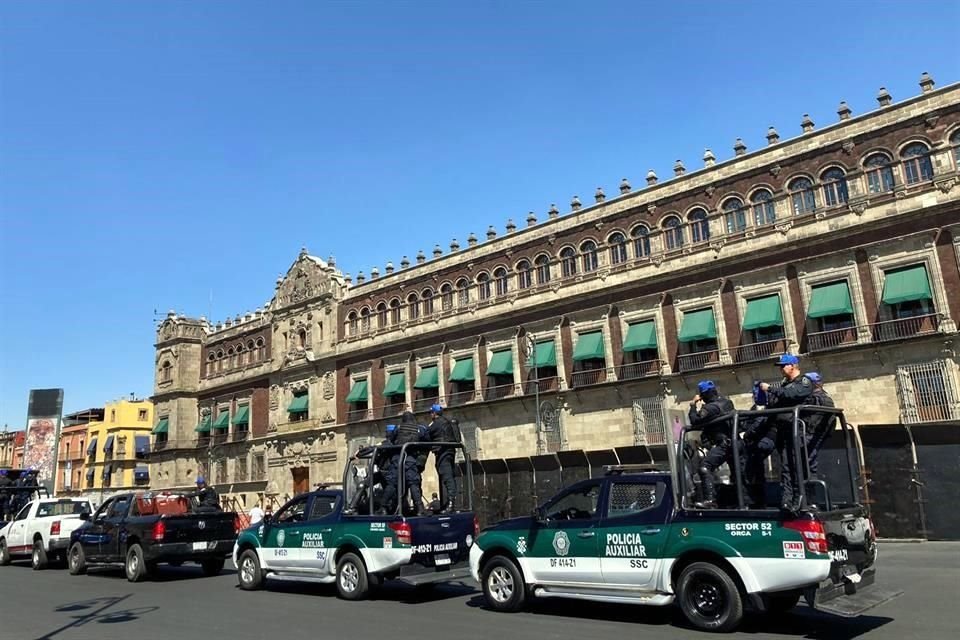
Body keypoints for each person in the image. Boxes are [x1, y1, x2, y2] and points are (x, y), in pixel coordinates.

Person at [759, 354, 816, 509]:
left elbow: (794, 394)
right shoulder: (785, 384)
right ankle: (787, 500)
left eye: (783, 366)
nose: (781, 369)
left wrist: (771, 388)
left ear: (793, 366)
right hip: (784, 431)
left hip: (798, 431)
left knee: (797, 466)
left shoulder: (804, 381)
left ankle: (800, 500)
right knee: (786, 466)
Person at [687, 381, 738, 509]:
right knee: (737, 473)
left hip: (725, 444)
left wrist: (693, 405)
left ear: (703, 395)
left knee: (705, 467)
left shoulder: (710, 408)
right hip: (735, 442)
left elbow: (695, 421)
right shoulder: (727, 402)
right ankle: (740, 502)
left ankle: (710, 501)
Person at [380, 412, 424, 515]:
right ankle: (420, 508)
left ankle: (383, 507)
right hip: (410, 459)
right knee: (413, 484)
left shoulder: (398, 428)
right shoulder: (419, 429)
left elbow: (391, 439)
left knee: (391, 484)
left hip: (397, 458)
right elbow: (425, 439)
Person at [427, 404, 459, 512]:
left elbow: (427, 433)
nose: (430, 414)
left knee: (447, 477)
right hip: (450, 452)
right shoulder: (447, 422)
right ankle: (449, 503)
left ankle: (451, 504)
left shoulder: (436, 424)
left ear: (434, 413)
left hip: (443, 453)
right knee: (449, 477)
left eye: (431, 412)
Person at [803, 372, 836, 475]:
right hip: (818, 434)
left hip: (812, 435)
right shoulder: (825, 398)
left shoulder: (814, 399)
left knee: (806, 463)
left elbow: (811, 420)